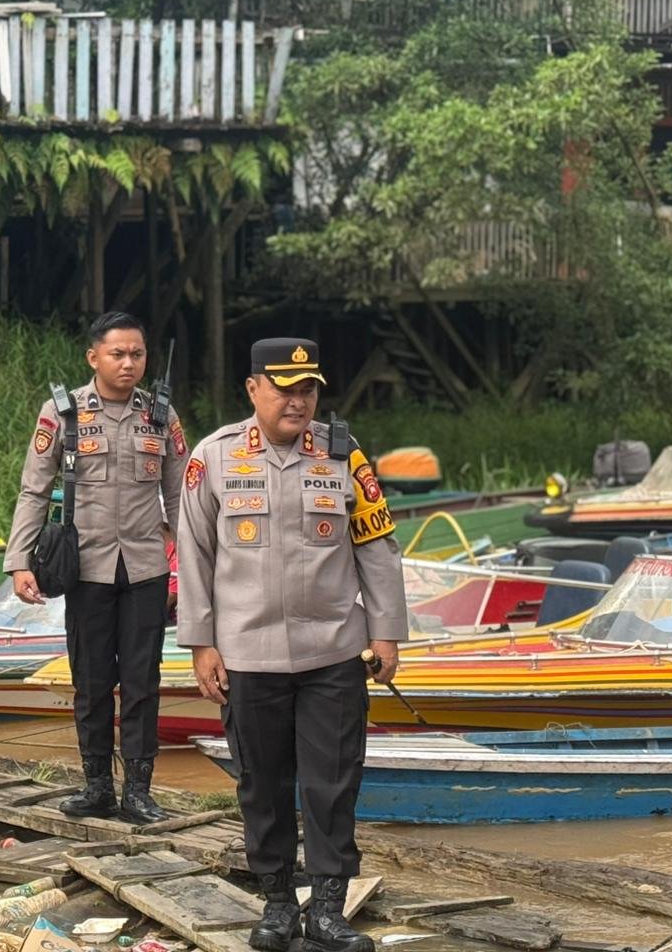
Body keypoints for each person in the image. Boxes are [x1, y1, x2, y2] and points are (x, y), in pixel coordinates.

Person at [175, 338, 408, 952]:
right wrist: (201, 643)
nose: (298, 402)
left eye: (308, 390)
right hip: (247, 654)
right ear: (253, 389)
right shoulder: (214, 457)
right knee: (262, 784)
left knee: (333, 784)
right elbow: (193, 555)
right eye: (285, 390)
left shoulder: (343, 454)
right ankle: (278, 905)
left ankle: (328, 911)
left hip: (333, 650)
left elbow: (375, 545)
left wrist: (385, 631)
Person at [5, 311, 189, 824]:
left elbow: (181, 497)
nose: (129, 363)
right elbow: (34, 490)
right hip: (86, 569)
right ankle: (97, 787)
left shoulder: (161, 415)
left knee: (142, 682)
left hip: (146, 570)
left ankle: (139, 792)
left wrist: (191, 569)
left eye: (137, 354)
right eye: (117, 354)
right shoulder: (63, 413)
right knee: (90, 681)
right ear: (94, 357)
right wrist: (19, 563)